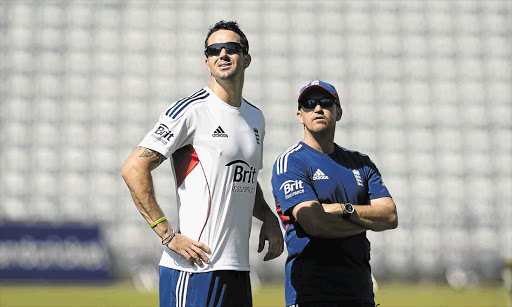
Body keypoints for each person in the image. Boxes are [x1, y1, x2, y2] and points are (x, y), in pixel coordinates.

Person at [121, 20, 284, 307]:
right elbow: (134, 168)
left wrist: (268, 217)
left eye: (231, 48)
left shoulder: (256, 118)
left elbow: (242, 176)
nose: (222, 54)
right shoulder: (191, 111)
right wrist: (167, 234)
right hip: (194, 269)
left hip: (236, 270)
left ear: (246, 58)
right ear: (206, 62)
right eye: (214, 50)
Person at [271, 80, 398, 307]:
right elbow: (315, 224)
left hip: (359, 293)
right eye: (309, 104)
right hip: (311, 293)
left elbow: (389, 216)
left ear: (338, 112)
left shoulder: (361, 163)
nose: (318, 109)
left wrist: (342, 209)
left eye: (326, 102)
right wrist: (365, 222)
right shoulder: (291, 162)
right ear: (300, 115)